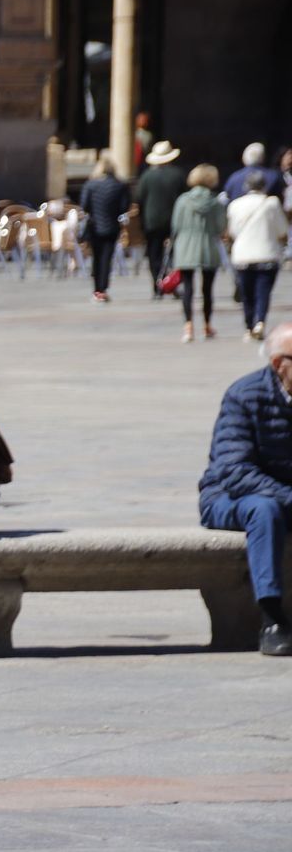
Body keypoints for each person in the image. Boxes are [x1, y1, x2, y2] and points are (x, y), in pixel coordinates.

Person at [199, 321, 292, 656]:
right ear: (280, 364)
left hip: (283, 497)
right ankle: (271, 618)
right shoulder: (244, 395)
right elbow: (235, 473)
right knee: (264, 508)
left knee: (273, 506)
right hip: (228, 497)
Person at [225, 171, 289, 341]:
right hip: (267, 254)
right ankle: (260, 320)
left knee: (246, 293)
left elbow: (232, 232)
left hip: (243, 256)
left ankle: (248, 325)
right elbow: (282, 230)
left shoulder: (235, 205)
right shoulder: (272, 203)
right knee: (263, 291)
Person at [170, 163, 226, 343]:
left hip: (185, 246)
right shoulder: (215, 201)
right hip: (208, 246)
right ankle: (207, 325)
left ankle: (188, 326)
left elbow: (175, 226)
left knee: (188, 288)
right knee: (207, 290)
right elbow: (220, 227)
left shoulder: (182, 200)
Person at [134, 140, 186, 299]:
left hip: (152, 222)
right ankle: (172, 283)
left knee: (154, 255)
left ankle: (157, 286)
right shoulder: (178, 175)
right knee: (174, 255)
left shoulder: (146, 176)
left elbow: (139, 199)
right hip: (174, 221)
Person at [80, 152, 129, 304]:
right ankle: (103, 289)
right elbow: (124, 207)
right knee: (107, 259)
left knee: (96, 258)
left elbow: (84, 206)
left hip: (94, 227)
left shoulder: (91, 185)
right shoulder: (119, 185)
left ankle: (97, 290)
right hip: (112, 227)